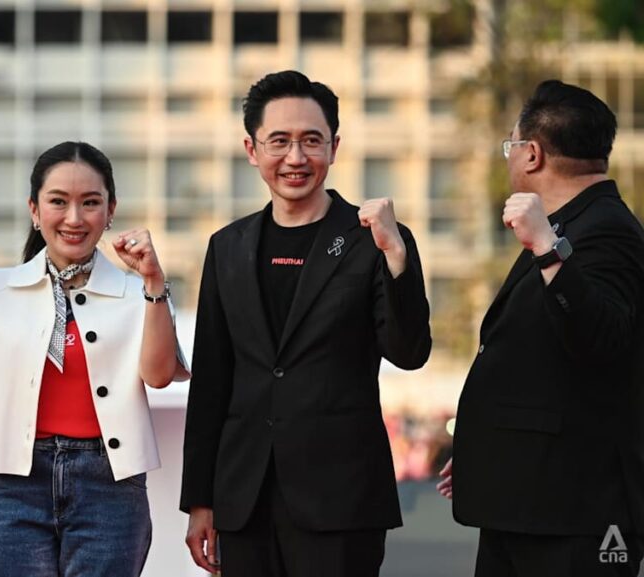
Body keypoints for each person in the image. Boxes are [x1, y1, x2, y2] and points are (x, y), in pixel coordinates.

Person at [180, 70, 432, 577]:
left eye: (311, 141)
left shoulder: (376, 238)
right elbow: (211, 380)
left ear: (334, 148)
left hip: (341, 496)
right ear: (252, 150)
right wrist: (200, 500)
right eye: (279, 141)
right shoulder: (227, 247)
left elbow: (409, 352)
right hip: (245, 497)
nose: (295, 158)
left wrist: (396, 257)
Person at [0, 141, 189, 577]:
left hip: (110, 489)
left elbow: (160, 376)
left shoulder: (138, 293)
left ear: (110, 210)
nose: (74, 218)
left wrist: (153, 282)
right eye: (58, 202)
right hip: (13, 491)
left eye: (90, 202)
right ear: (34, 209)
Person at [438, 80, 644, 577]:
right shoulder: (566, 224)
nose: (509, 157)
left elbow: (602, 338)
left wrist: (550, 251)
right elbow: (538, 363)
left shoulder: (606, 229)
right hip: (527, 499)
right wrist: (488, 445)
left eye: (510, 145)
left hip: (574, 515)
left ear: (532, 154)